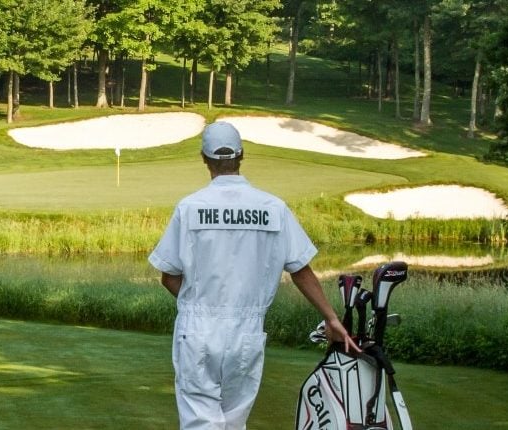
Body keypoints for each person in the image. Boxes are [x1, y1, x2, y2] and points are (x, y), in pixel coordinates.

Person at [148, 122, 360, 430]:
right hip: (247, 331)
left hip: (198, 327)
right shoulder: (272, 208)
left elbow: (169, 276)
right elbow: (300, 269)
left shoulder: (190, 208)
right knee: (234, 422)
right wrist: (331, 317)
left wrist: (199, 300)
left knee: (200, 421)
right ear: (241, 156)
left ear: (204, 159)